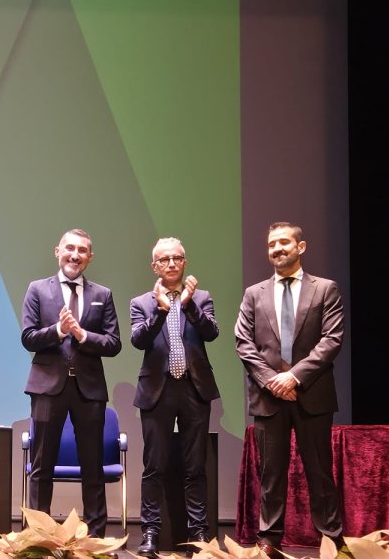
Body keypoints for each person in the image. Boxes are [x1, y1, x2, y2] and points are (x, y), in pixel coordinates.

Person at [234, 222, 345, 557]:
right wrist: (273, 381)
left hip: (312, 395)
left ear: (301, 247)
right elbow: (243, 343)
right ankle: (269, 539)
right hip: (269, 398)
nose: (277, 249)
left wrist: (293, 377)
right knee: (271, 475)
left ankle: (332, 539)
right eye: (271, 244)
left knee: (320, 473)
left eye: (284, 242)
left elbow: (332, 340)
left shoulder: (325, 289)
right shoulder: (254, 293)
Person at [20, 228, 121, 537]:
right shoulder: (38, 289)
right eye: (70, 248)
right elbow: (28, 337)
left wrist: (82, 335)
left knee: (93, 467)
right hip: (47, 387)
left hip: (89, 391)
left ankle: (96, 538)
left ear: (89, 258)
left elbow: (114, 343)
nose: (75, 255)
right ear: (57, 251)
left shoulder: (101, 294)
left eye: (82, 251)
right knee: (41, 467)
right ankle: (38, 537)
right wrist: (60, 331)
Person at [129, 238, 220, 556]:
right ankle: (150, 533)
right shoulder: (141, 302)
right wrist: (160, 310)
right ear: (154, 266)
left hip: (194, 388)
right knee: (154, 466)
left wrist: (189, 303)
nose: (171, 263)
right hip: (157, 390)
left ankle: (199, 534)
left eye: (177, 258)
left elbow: (211, 333)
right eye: (164, 259)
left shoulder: (202, 297)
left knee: (196, 466)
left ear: (185, 262)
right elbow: (139, 340)